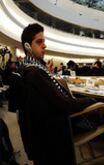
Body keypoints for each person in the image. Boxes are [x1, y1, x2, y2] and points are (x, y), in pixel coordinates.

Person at [18, 23, 96, 164]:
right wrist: (91, 100)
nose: (45, 45)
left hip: (45, 136)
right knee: (102, 110)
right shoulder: (35, 73)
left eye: (44, 41)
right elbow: (66, 105)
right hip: (53, 138)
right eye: (39, 42)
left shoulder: (31, 69)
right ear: (28, 47)